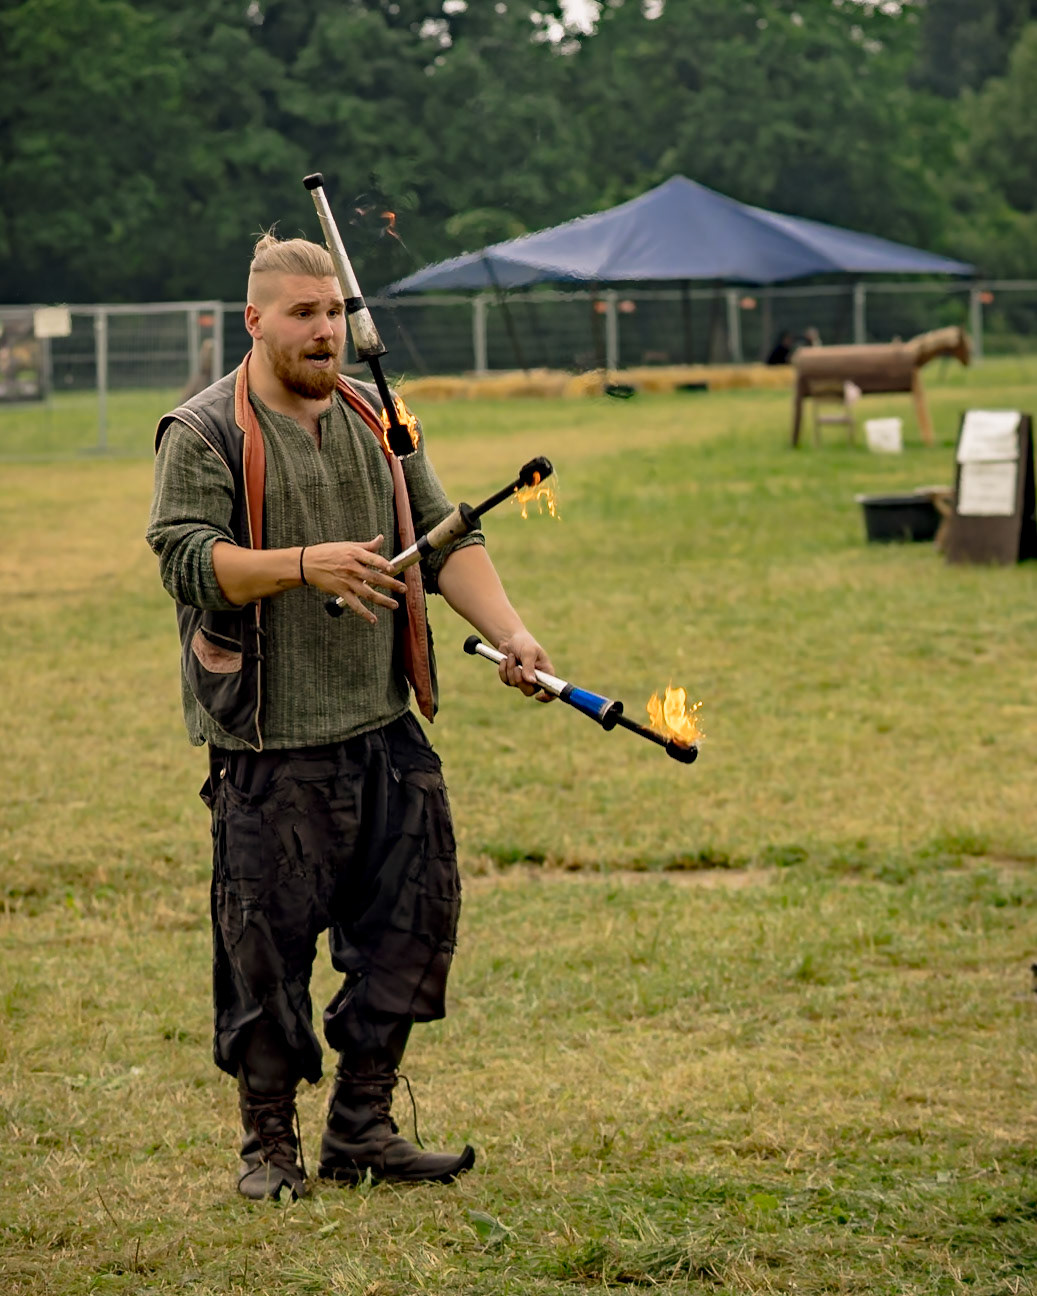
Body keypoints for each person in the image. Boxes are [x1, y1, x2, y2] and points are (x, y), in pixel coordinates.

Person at [146, 232, 553, 1201]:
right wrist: (302, 564)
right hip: (270, 740)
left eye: (333, 311)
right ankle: (267, 1145)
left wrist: (512, 634)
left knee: (414, 924)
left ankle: (362, 1128)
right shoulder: (204, 431)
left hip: (382, 723)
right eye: (303, 313)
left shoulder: (380, 414)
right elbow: (185, 560)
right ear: (255, 320)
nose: (324, 330)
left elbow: (445, 539)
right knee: (265, 952)